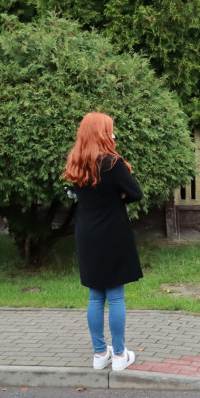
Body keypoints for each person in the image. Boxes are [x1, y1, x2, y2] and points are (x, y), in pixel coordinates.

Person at [62, 112, 143, 372]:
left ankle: (100, 354)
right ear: (102, 132)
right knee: (116, 296)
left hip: (86, 234)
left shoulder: (76, 162)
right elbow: (136, 194)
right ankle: (119, 355)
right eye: (110, 129)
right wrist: (118, 197)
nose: (113, 133)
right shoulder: (112, 163)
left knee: (95, 296)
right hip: (112, 233)